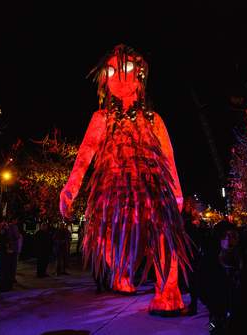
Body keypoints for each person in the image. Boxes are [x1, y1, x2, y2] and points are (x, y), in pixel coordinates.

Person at [59, 44, 191, 315]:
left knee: (163, 236)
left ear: (141, 74)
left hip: (152, 187)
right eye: (111, 70)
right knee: (111, 236)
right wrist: (69, 189)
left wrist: (176, 191)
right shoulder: (101, 118)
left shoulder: (153, 120)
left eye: (127, 68)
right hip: (114, 189)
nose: (118, 76)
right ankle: (122, 275)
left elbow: (168, 155)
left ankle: (168, 292)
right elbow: (85, 154)